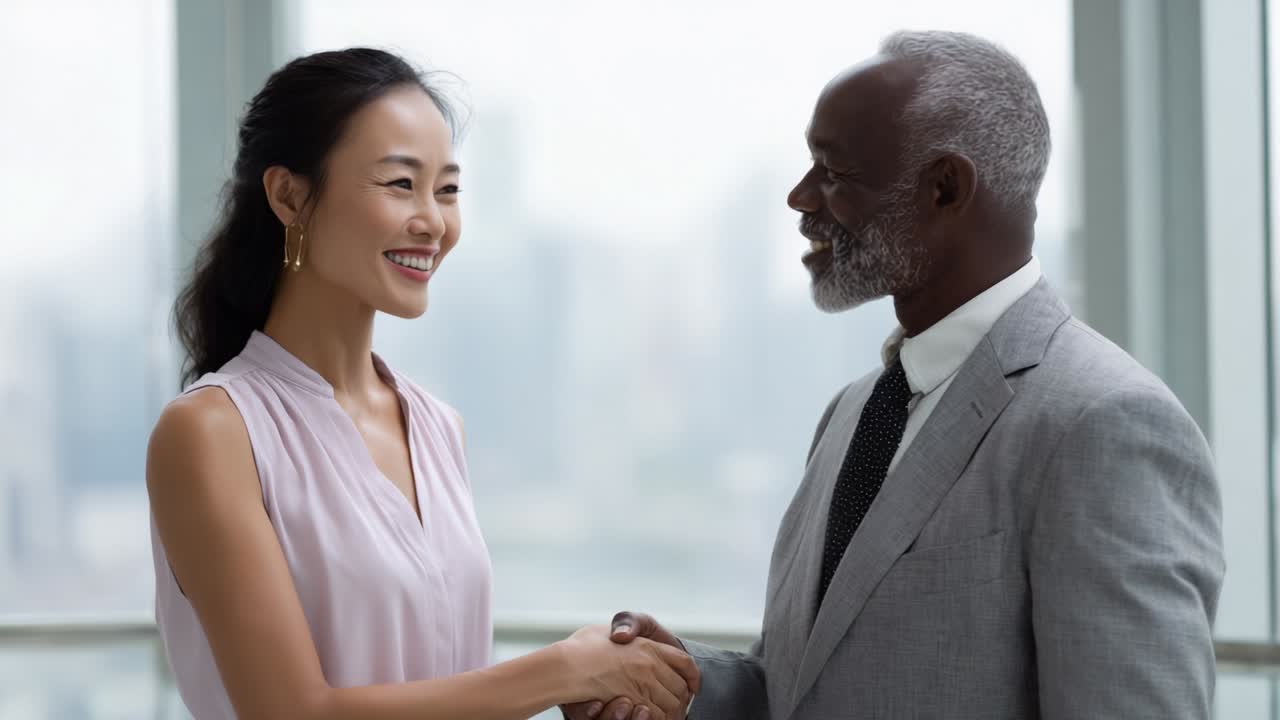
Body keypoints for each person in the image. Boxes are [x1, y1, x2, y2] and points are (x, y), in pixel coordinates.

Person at [566, 29, 1224, 720]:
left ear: (945, 187)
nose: (799, 197)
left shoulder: (1102, 424)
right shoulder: (854, 412)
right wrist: (680, 686)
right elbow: (811, 683)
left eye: (833, 170)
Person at [147, 47, 697, 720]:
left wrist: (583, 687)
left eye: (447, 189)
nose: (433, 221)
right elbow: (293, 713)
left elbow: (434, 681)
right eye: (400, 184)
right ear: (290, 196)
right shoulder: (211, 432)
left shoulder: (439, 427)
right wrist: (561, 670)